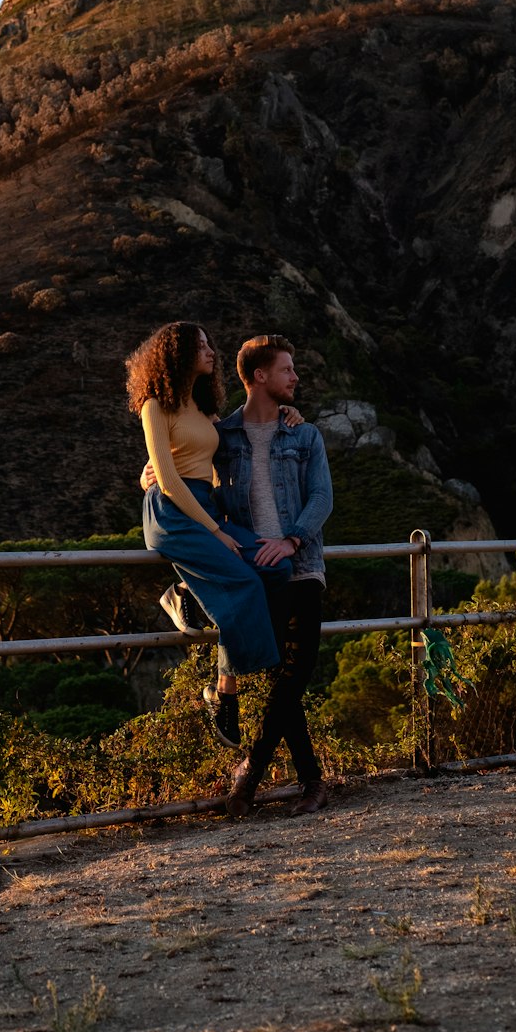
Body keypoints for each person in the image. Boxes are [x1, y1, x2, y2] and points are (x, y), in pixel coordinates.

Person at [125, 321, 292, 749]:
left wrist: (289, 413)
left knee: (276, 566)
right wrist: (215, 531)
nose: (211, 351)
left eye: (209, 343)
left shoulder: (203, 408)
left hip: (206, 506)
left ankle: (183, 590)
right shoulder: (154, 406)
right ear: (176, 353)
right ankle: (224, 695)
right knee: (244, 582)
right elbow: (166, 478)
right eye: (201, 346)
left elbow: (240, 428)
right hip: (173, 513)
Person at [213, 334, 333, 818]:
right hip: (255, 575)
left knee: (294, 675)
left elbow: (321, 497)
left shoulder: (304, 434)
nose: (295, 377)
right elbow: (180, 466)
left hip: (302, 569)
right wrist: (149, 474)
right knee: (280, 680)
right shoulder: (223, 436)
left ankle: (249, 780)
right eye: (287, 369)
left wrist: (292, 539)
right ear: (259, 376)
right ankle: (311, 784)